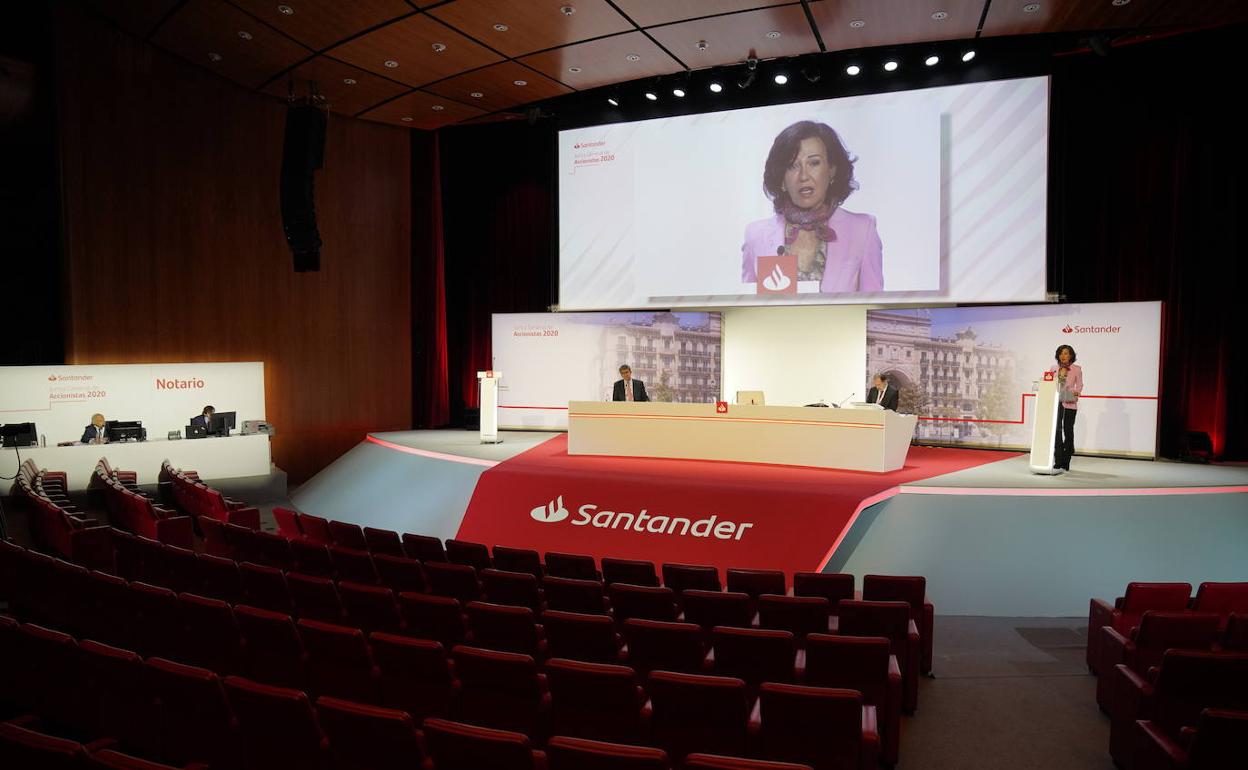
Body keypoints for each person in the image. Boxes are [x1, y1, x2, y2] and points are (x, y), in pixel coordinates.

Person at [741, 120, 884, 293]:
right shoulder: (756, 236)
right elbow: (747, 305)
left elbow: (872, 306)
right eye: (792, 166)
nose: (804, 176)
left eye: (814, 163)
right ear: (782, 179)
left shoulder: (862, 230)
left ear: (831, 170)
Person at [1050, 345, 1083, 472]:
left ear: (1071, 355)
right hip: (1056, 403)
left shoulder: (1076, 369)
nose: (1063, 356)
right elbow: (1050, 384)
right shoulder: (1053, 368)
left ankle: (1067, 457)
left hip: (1069, 403)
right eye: (1061, 353)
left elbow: (1079, 385)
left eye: (1066, 353)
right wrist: (1059, 378)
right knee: (1057, 431)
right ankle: (1058, 460)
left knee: (1068, 431)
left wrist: (1075, 393)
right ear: (1058, 355)